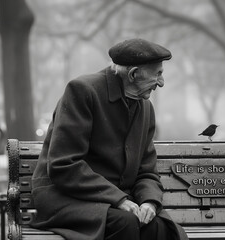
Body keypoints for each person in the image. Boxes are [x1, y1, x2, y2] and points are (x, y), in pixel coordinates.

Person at [31, 38, 188, 240]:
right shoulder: (83, 91)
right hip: (66, 197)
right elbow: (64, 165)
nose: (161, 82)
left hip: (114, 201)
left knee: (157, 227)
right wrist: (119, 199)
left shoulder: (145, 108)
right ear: (133, 74)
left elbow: (147, 171)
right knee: (125, 223)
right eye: (157, 74)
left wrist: (149, 201)